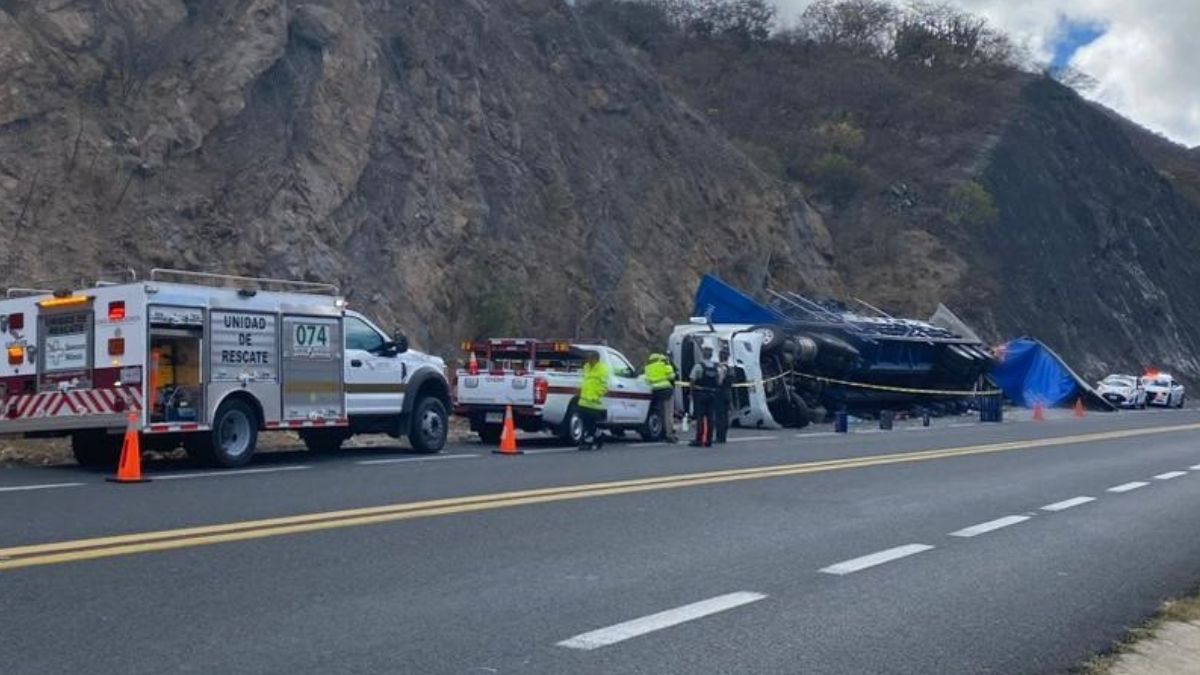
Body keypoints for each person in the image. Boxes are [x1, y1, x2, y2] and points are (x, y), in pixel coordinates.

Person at [688, 346, 723, 447]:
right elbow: (719, 381)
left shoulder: (699, 366)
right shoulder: (717, 367)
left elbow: (692, 379)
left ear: (703, 354)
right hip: (712, 394)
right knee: (710, 418)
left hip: (700, 394)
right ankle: (708, 440)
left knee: (700, 417)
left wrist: (691, 393)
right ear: (711, 355)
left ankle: (699, 440)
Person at [578, 350, 609, 450]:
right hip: (583, 400)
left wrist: (596, 395)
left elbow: (604, 386)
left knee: (590, 423)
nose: (588, 360)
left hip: (593, 402)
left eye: (590, 358)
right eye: (588, 358)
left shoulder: (602, 370)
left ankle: (589, 440)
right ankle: (598, 436)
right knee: (585, 422)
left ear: (596, 359)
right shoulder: (586, 367)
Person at [643, 353, 678, 442]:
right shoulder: (664, 363)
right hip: (666, 390)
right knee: (668, 414)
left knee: (660, 413)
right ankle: (669, 434)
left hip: (655, 391)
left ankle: (661, 432)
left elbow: (646, 379)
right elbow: (672, 376)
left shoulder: (648, 367)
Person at [715, 346, 734, 444]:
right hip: (728, 393)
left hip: (720, 394)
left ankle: (720, 437)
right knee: (725, 416)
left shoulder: (721, 368)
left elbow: (719, 381)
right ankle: (723, 436)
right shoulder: (730, 368)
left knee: (720, 416)